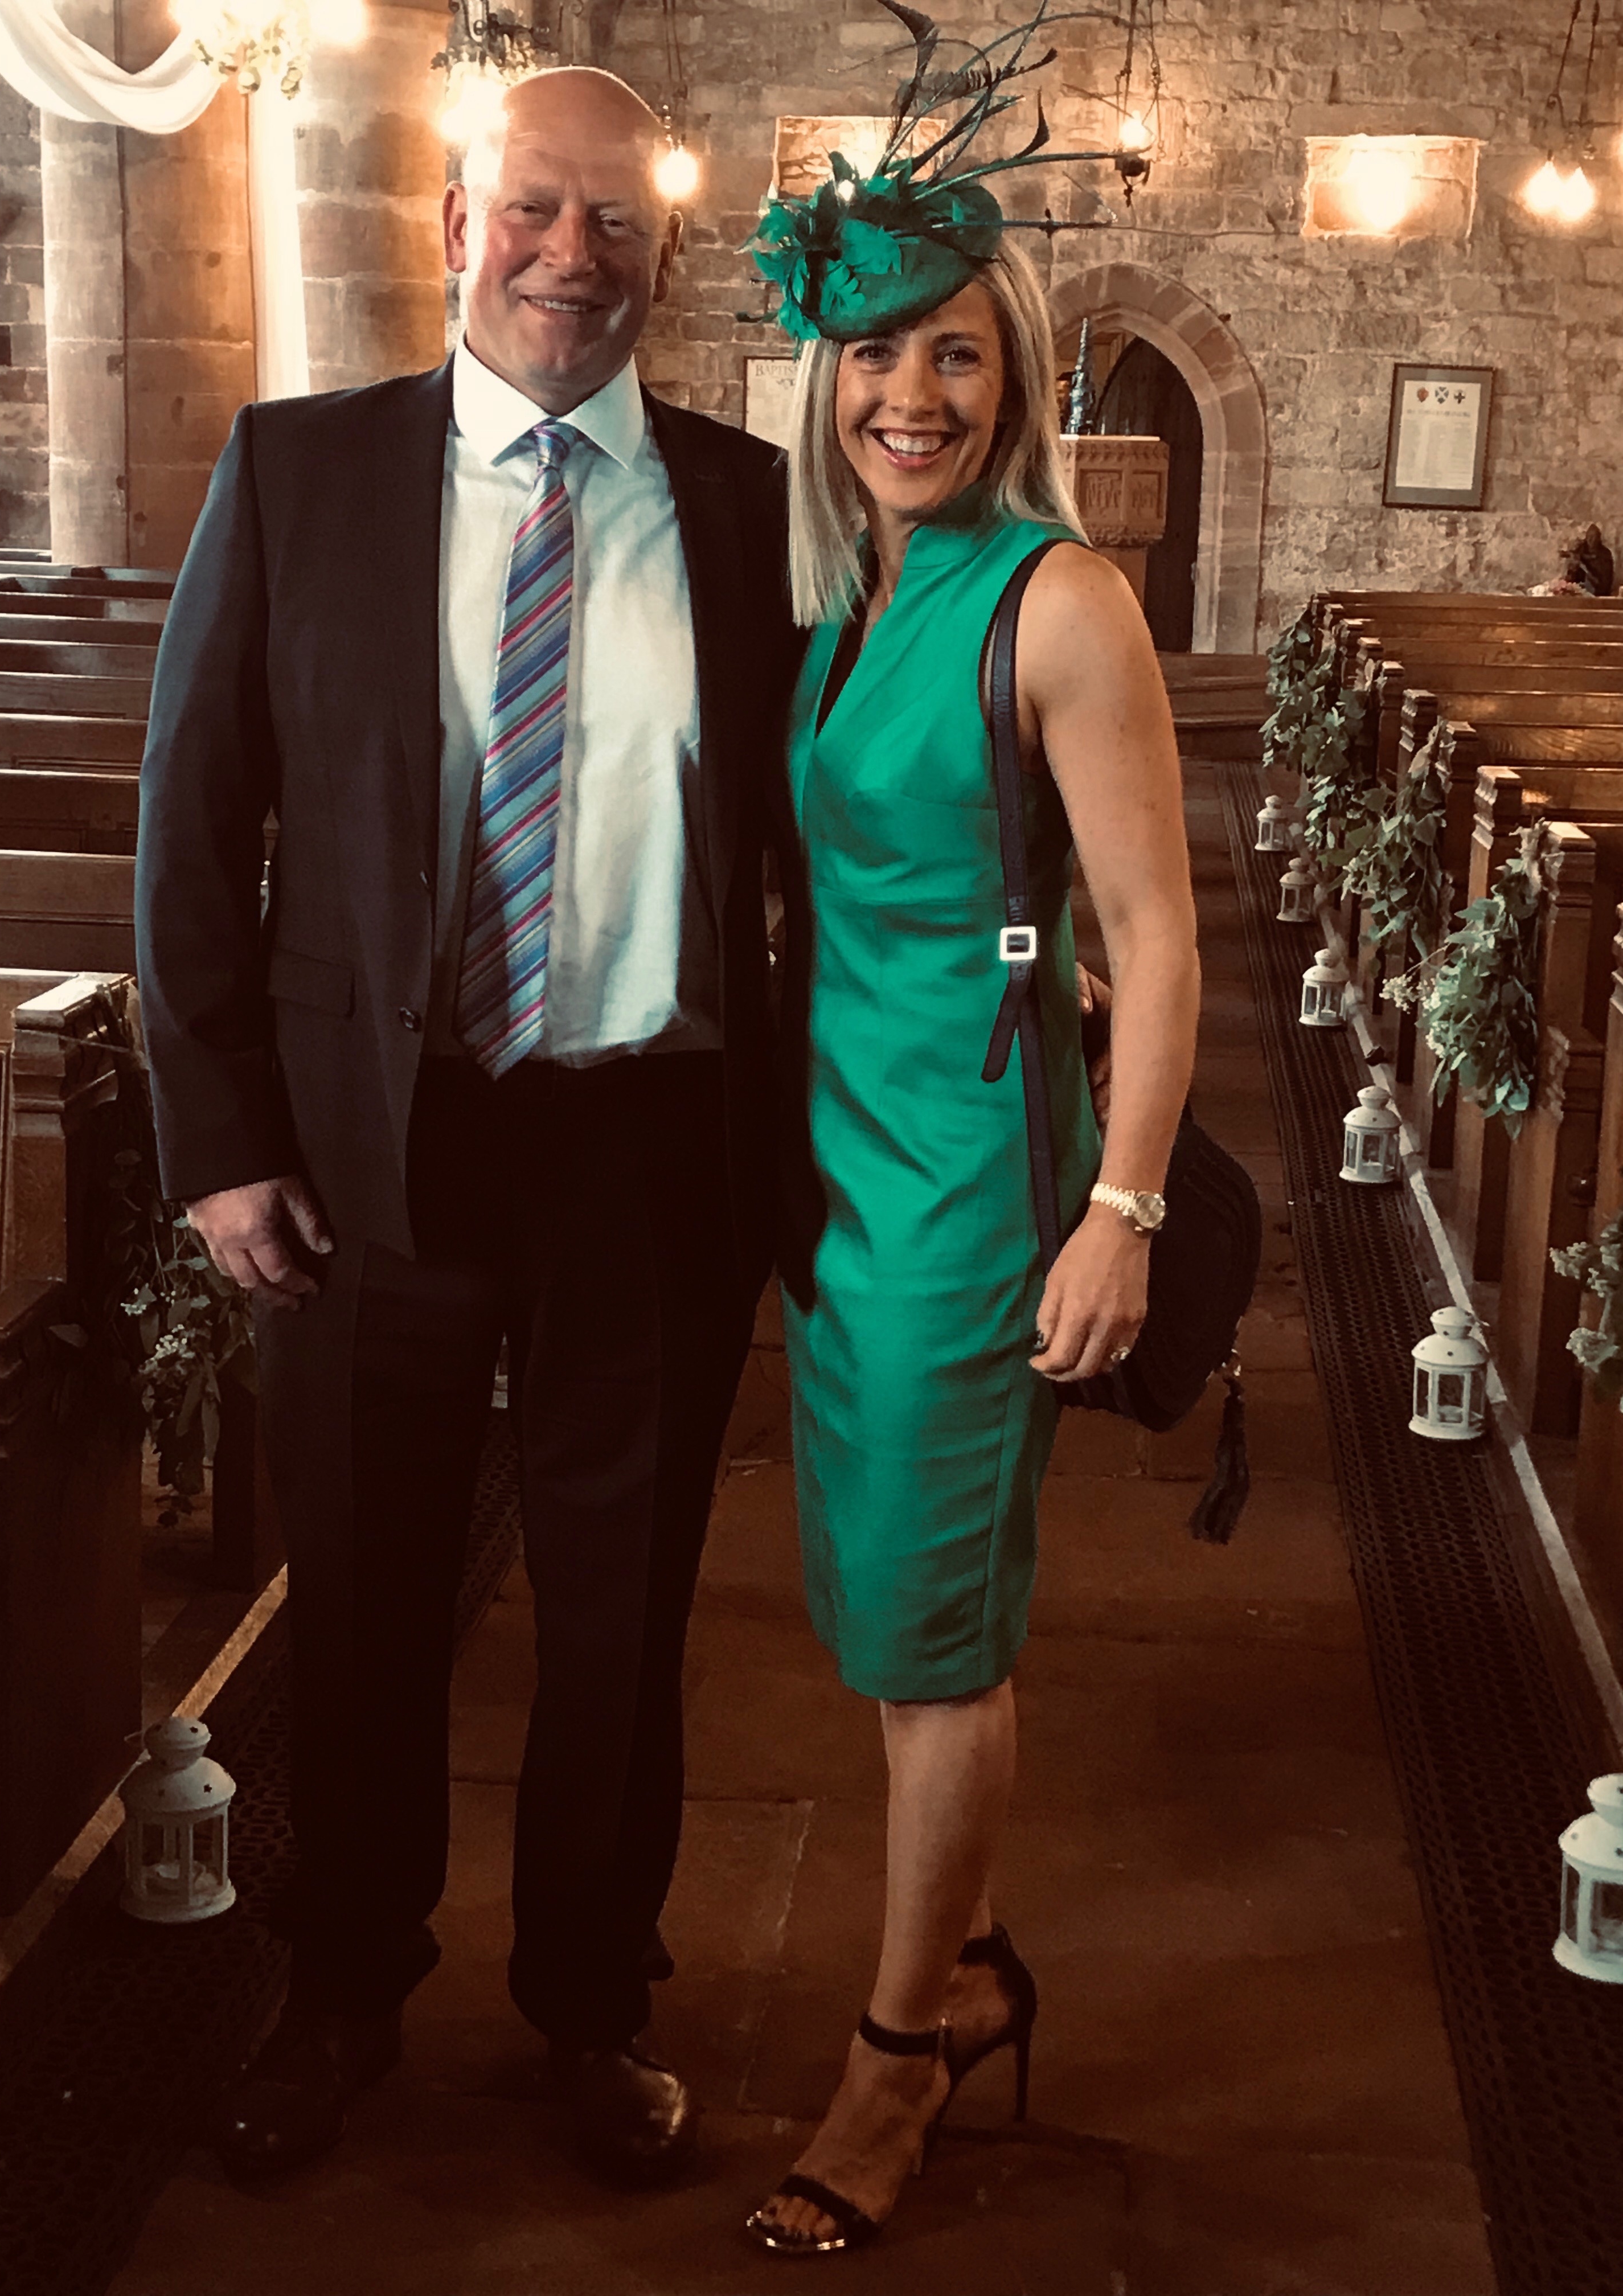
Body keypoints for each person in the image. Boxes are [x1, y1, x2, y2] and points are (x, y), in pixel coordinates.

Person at [135, 67, 799, 2184]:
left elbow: (828, 830)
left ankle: (593, 2008)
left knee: (621, 1618)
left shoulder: (750, 505)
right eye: (532, 211)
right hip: (367, 1145)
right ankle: (344, 1990)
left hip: (649, 1142)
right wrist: (222, 1139)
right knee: (363, 1600)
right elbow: (191, 823)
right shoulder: (300, 471)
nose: (570, 258)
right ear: (452, 226)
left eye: (614, 223)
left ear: (664, 254)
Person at [742, 64, 1200, 2256]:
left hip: (971, 1188)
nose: (908, 397)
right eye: (873, 354)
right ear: (822, 375)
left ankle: (895, 2061)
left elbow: (1159, 937)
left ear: (1011, 377)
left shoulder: (1060, 596)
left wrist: (1122, 1210)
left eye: (953, 355)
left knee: (936, 1642)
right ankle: (975, 1957)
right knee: (885, 1613)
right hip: (842, 1175)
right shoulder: (861, 584)